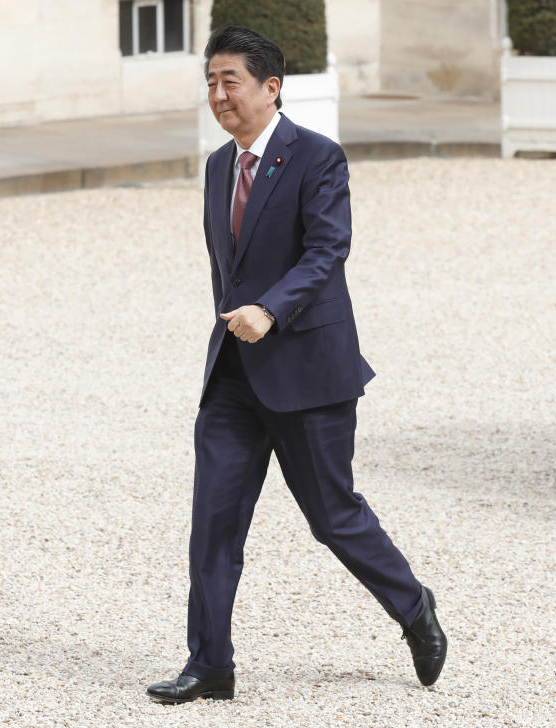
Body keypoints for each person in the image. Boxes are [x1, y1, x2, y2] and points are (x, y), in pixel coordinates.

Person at [146, 25, 447, 705]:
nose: (219, 94)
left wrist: (270, 311)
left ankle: (413, 606)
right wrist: (239, 321)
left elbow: (327, 251)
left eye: (231, 80)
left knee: (333, 516)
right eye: (211, 81)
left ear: (270, 87)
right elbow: (227, 264)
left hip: (308, 372)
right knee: (213, 523)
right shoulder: (218, 166)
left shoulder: (318, 158)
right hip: (233, 377)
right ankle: (210, 663)